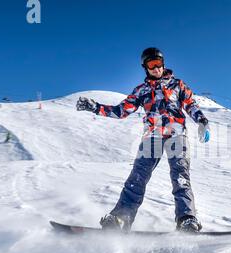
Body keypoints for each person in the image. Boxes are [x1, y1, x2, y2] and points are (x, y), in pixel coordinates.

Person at [76, 47, 211, 233]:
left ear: (163, 63)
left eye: (158, 63)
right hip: (152, 137)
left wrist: (202, 120)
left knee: (180, 176)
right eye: (151, 64)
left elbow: (190, 104)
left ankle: (187, 219)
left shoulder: (177, 85)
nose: (156, 68)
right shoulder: (141, 90)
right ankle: (121, 218)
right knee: (137, 177)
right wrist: (95, 108)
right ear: (145, 67)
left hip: (176, 135)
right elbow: (121, 111)